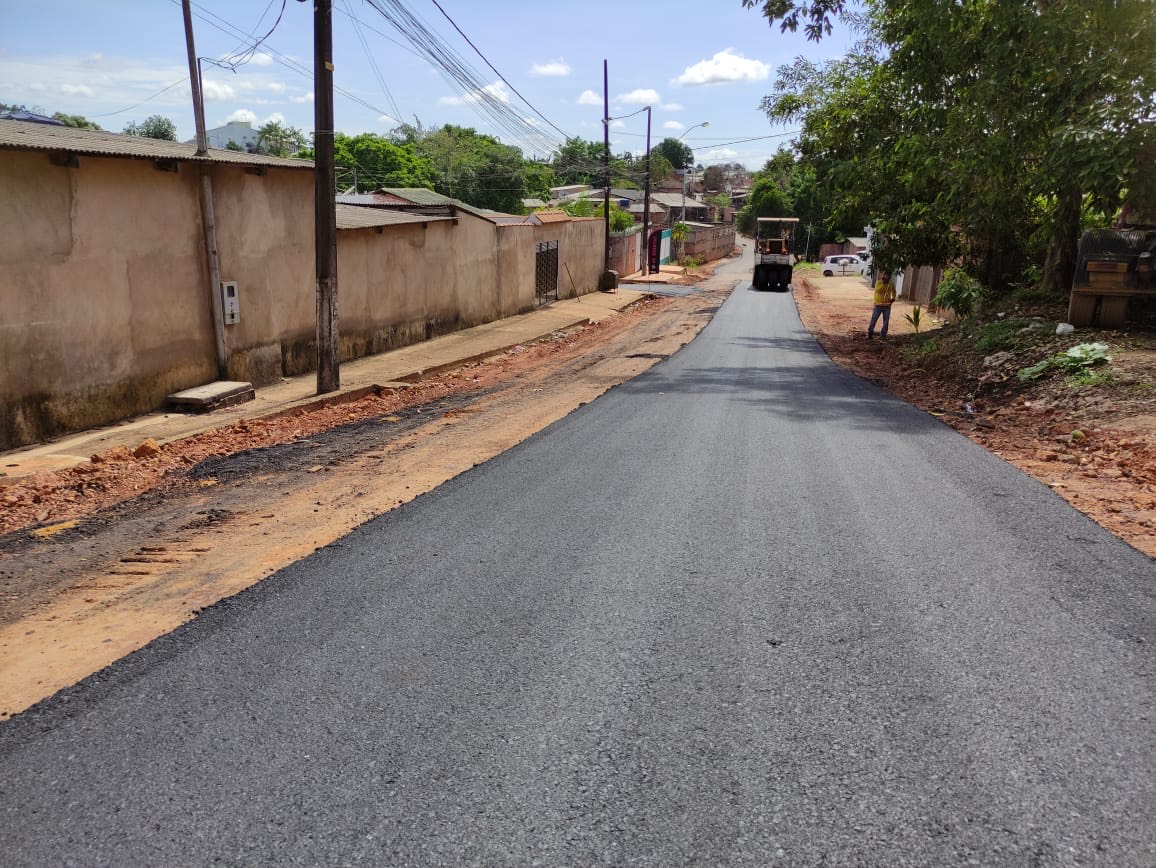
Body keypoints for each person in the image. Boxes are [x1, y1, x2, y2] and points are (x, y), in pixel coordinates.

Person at [867, 271, 896, 339]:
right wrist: (883, 284)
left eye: (888, 276)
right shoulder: (878, 282)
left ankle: (883, 335)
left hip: (887, 306)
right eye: (886, 276)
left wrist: (893, 298)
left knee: (886, 321)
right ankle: (870, 333)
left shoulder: (891, 284)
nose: (887, 277)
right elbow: (878, 290)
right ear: (883, 276)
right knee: (874, 319)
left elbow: (894, 291)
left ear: (890, 277)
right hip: (878, 305)